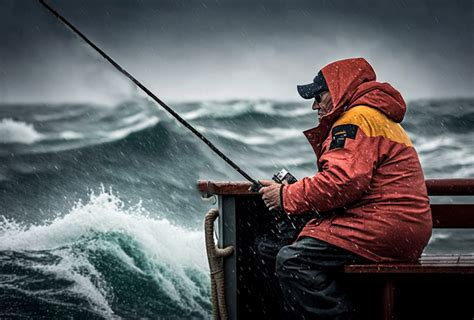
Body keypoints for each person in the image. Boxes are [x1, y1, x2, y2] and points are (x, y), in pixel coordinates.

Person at [257, 57, 433, 319]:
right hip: (397, 227)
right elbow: (348, 179)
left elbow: (342, 183)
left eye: (319, 96)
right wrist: (295, 192)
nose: (315, 105)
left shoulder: (355, 119)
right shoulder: (374, 117)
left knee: (293, 260)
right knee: (275, 247)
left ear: (338, 90)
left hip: (382, 227)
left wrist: (285, 195)